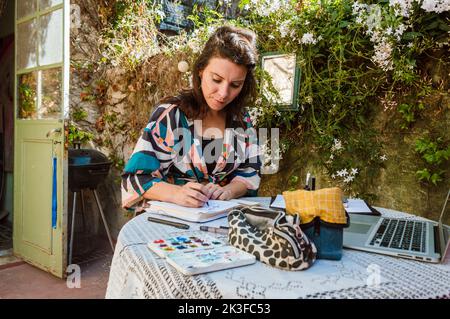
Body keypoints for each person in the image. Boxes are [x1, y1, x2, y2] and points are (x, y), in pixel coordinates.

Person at [121, 25, 261, 211]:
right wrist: (175, 193)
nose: (223, 93)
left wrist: (229, 191)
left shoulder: (241, 119)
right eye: (216, 80)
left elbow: (251, 171)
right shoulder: (170, 115)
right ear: (201, 71)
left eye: (235, 85)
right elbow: (134, 179)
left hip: (219, 222)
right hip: (170, 224)